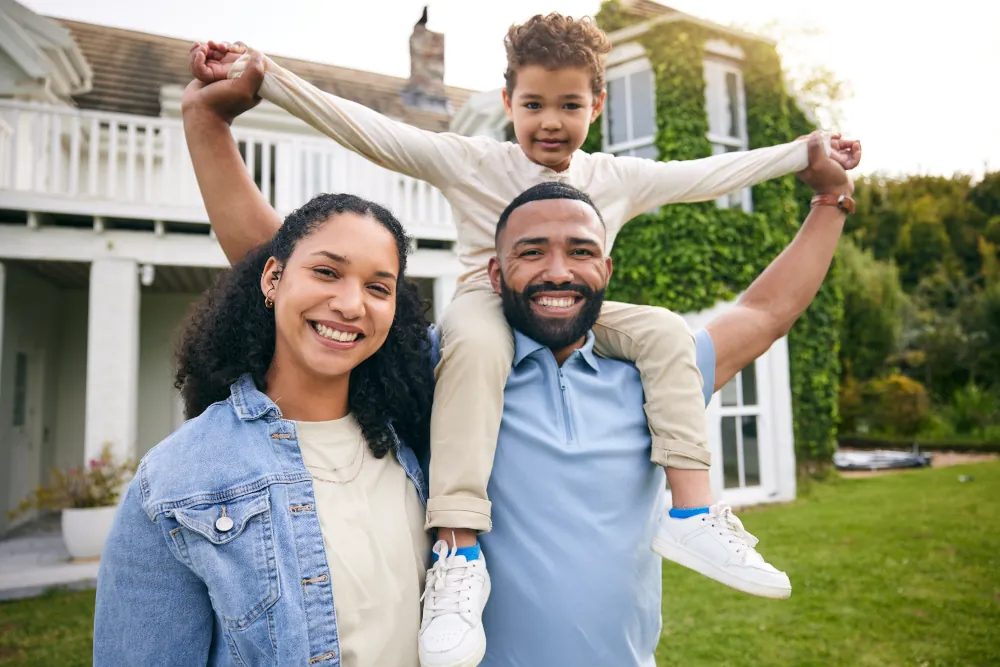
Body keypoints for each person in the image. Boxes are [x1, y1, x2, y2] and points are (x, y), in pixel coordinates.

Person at [187, 13, 861, 661]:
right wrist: (263, 76)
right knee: (479, 344)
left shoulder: (618, 204)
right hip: (481, 315)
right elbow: (370, 137)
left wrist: (811, 161)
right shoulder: (441, 335)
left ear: (598, 106)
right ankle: (459, 548)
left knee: (662, 329)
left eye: (569, 105)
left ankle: (692, 514)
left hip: (599, 346)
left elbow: (718, 196)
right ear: (508, 101)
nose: (550, 122)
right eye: (533, 104)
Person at [93, 192, 438, 666]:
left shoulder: (412, 448)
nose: (351, 304)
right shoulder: (178, 480)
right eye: (327, 272)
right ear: (274, 279)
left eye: (379, 288)